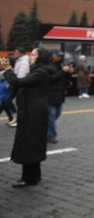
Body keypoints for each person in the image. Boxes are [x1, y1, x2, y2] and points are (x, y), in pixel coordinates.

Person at [1, 48, 52, 187]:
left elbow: (19, 82)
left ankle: (29, 178)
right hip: (32, 111)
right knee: (31, 143)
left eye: (34, 54)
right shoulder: (37, 71)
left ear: (41, 57)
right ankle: (33, 176)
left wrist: (7, 69)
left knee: (29, 144)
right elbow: (20, 84)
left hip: (33, 113)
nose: (31, 56)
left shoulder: (40, 72)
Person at [47, 50, 71, 143]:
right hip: (51, 94)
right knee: (51, 116)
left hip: (60, 94)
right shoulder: (49, 66)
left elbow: (64, 78)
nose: (60, 57)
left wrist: (69, 72)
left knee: (57, 113)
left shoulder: (61, 65)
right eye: (58, 56)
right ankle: (51, 135)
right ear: (53, 55)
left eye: (61, 56)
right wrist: (62, 71)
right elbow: (50, 79)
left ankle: (46, 129)